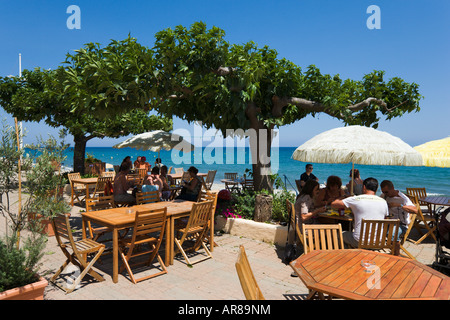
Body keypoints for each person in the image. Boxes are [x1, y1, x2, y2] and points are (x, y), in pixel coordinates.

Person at [331, 177, 388, 248]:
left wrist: (344, 196)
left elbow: (333, 204)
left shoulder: (356, 199)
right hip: (378, 242)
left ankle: (346, 255)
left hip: (360, 241)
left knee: (339, 234)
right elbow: (385, 218)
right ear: (376, 189)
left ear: (364, 187)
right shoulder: (383, 202)